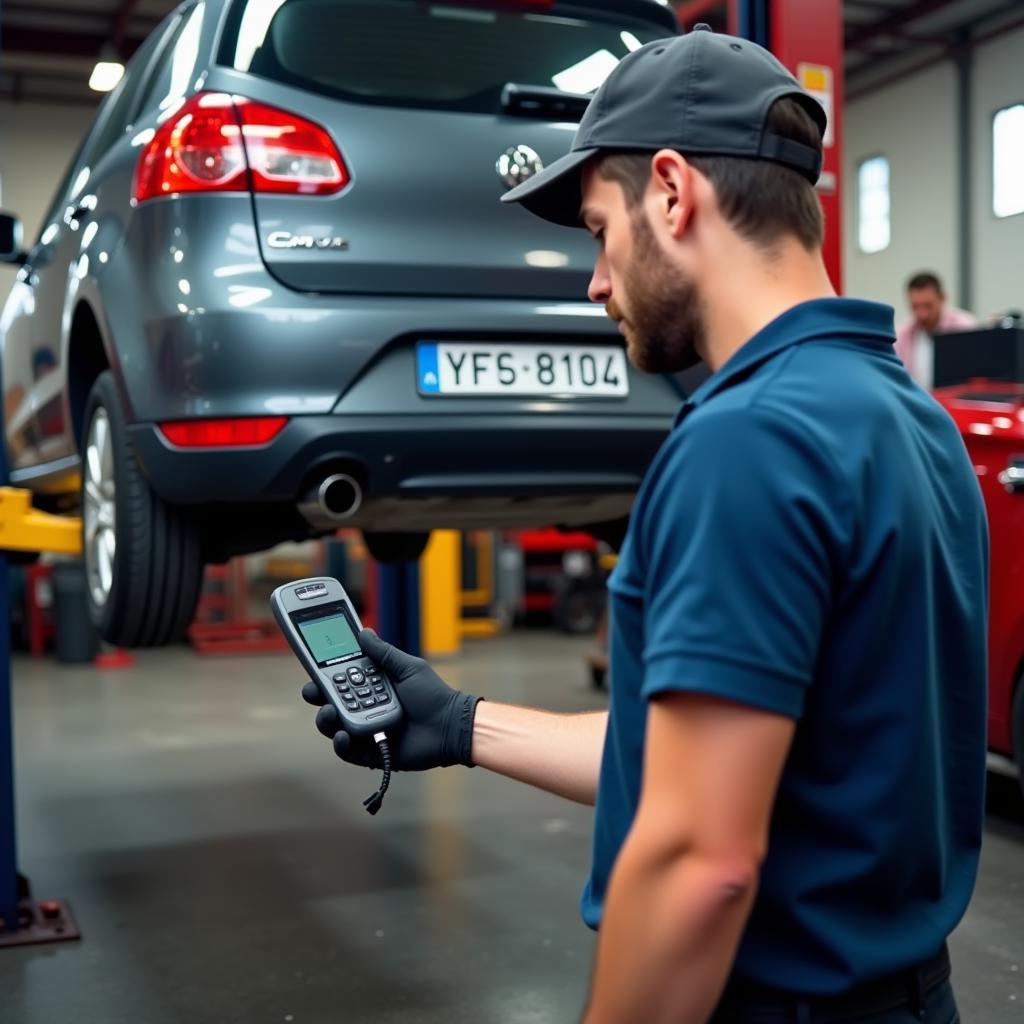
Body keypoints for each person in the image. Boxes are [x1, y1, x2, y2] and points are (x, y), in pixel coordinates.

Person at [301, 27, 988, 1024]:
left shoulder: (746, 440)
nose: (594, 281)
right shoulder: (907, 418)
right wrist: (457, 723)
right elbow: (725, 754)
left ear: (671, 192)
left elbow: (696, 859)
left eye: (596, 231)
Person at [894, 271, 977, 389]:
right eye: (915, 307)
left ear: (942, 298)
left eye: (927, 306)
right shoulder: (902, 334)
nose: (922, 314)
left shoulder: (965, 328)